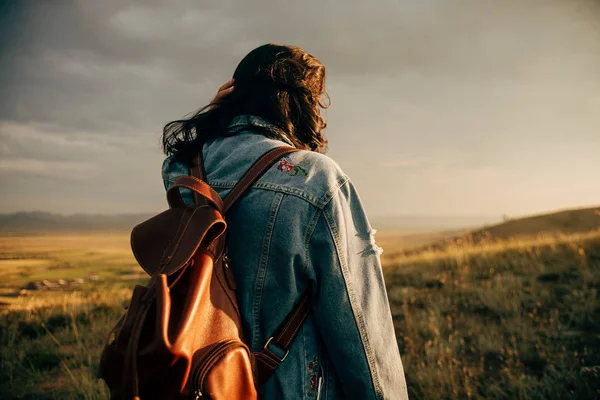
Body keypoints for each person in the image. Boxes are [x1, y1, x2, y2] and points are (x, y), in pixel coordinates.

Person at [161, 43, 408, 400]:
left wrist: (214, 117)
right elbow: (359, 327)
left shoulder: (185, 171)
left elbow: (178, 165)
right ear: (301, 104)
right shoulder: (316, 179)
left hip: (206, 383)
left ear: (235, 94)